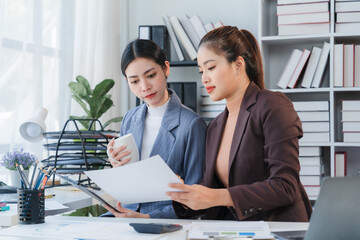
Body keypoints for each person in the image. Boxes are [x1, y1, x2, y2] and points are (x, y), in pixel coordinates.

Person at [166, 26, 313, 222]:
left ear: (238, 65)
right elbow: (212, 193)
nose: (204, 78)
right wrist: (186, 195)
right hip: (234, 230)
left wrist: (215, 197)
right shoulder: (215, 126)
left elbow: (285, 186)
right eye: (201, 71)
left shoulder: (272, 105)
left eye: (211, 68)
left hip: (276, 228)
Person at [103, 39, 206, 219]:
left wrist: (147, 219)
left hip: (166, 220)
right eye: (134, 81)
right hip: (125, 214)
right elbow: (130, 180)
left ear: (166, 68)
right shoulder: (130, 118)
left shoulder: (191, 124)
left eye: (151, 75)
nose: (145, 87)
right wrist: (117, 165)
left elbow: (196, 200)